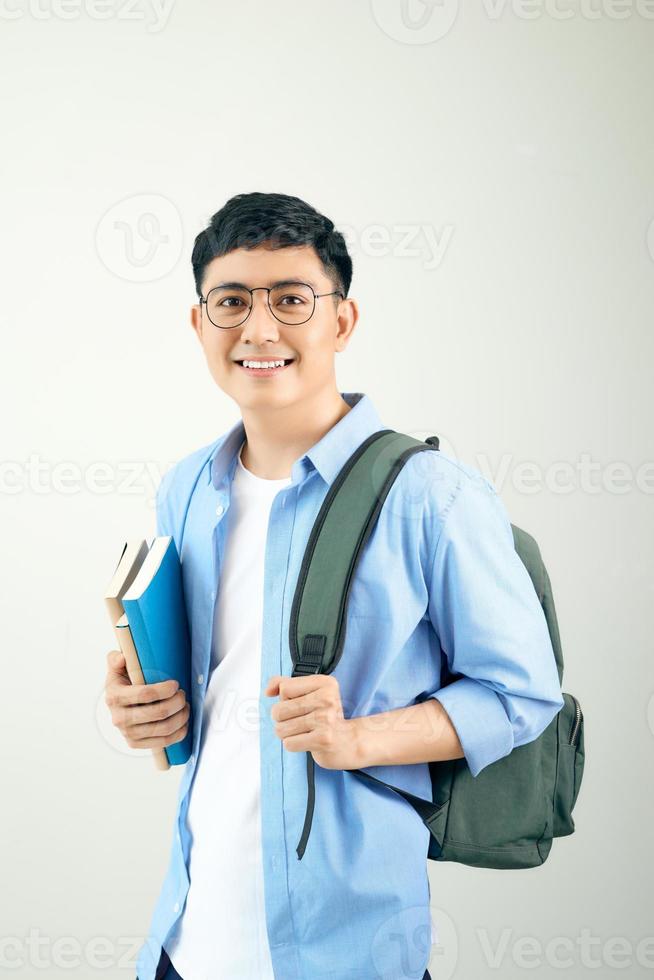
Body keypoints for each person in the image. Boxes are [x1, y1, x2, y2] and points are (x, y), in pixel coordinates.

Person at [104, 191, 564, 980]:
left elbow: (522, 694)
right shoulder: (187, 487)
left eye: (291, 299)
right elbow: (207, 685)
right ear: (198, 323)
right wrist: (138, 701)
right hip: (185, 939)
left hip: (346, 951)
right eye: (231, 302)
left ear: (341, 321)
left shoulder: (433, 496)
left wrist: (358, 737)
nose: (259, 329)